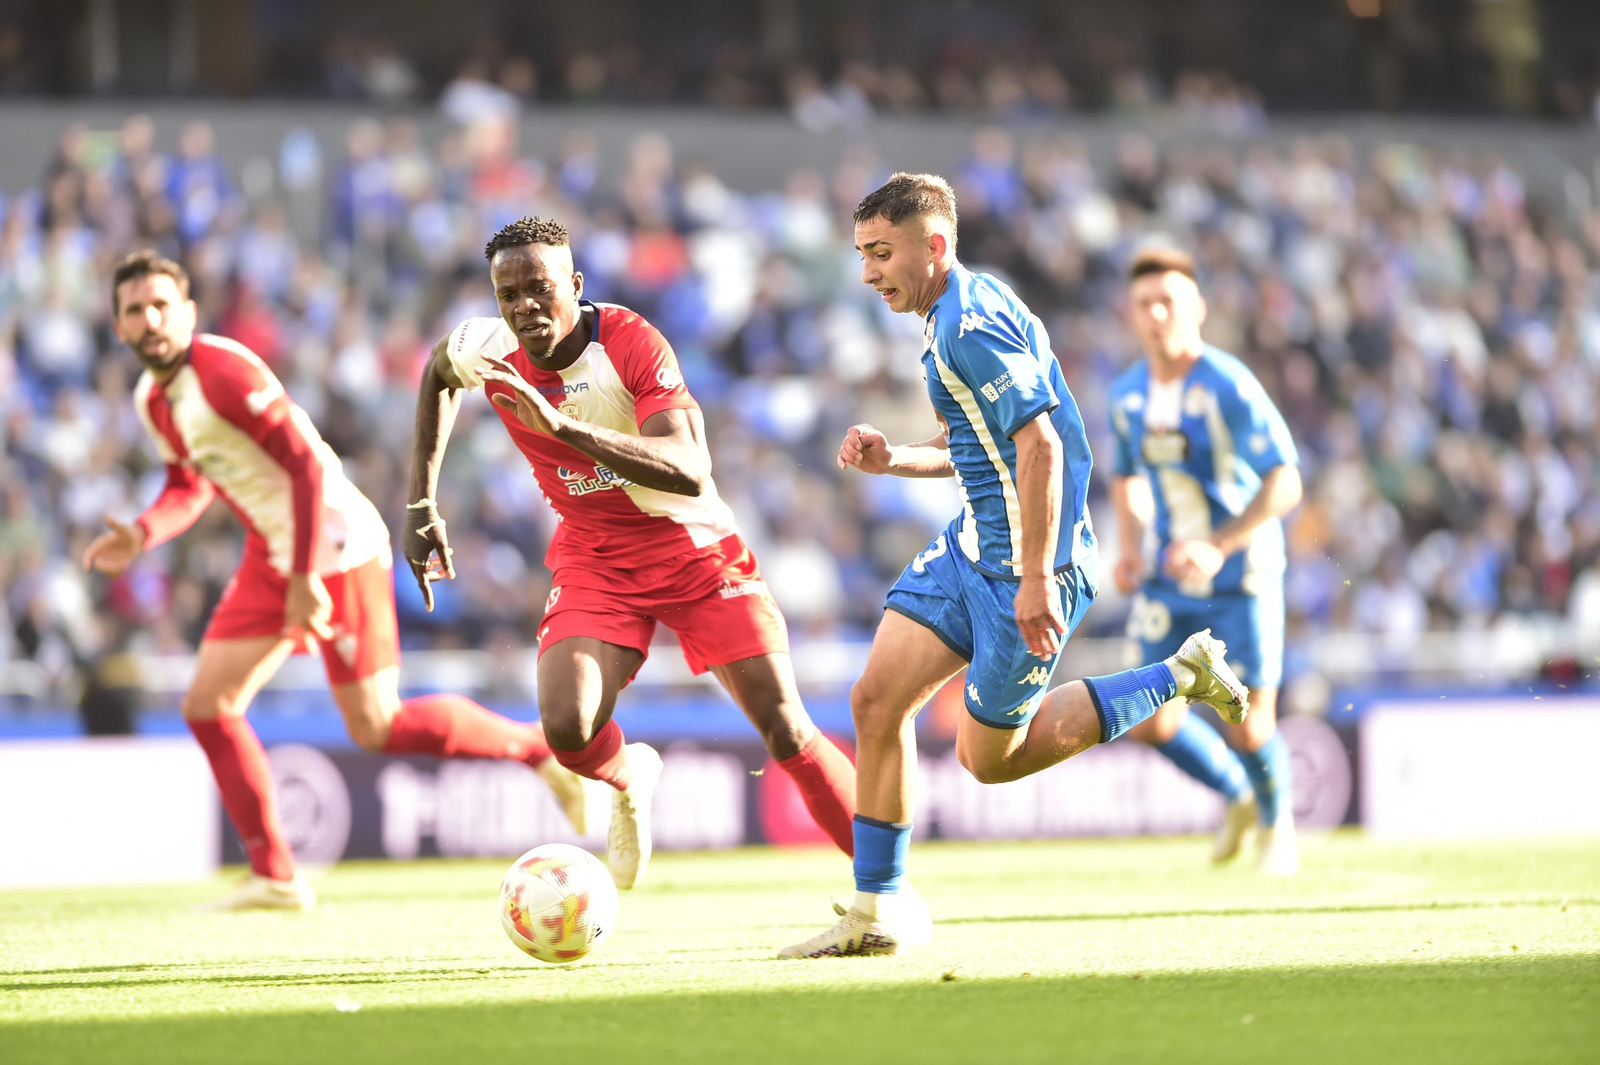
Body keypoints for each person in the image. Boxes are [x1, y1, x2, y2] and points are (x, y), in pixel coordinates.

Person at [780, 174, 1249, 959]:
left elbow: (1041, 445)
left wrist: (1035, 577)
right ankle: (876, 909)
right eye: (861, 253)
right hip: (974, 543)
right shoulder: (957, 307)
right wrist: (894, 457)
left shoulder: (967, 326)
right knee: (875, 699)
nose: (867, 273)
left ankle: (1181, 672)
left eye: (880, 253)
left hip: (1026, 566)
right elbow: (981, 444)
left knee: (987, 759)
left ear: (934, 245)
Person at [84, 251, 591, 912]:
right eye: (135, 310)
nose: (149, 320)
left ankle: (539, 752)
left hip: (334, 543)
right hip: (277, 553)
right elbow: (188, 482)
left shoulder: (223, 370)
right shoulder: (154, 399)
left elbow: (302, 465)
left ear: (188, 312)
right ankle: (277, 873)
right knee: (208, 704)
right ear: (117, 326)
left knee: (377, 725)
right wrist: (144, 532)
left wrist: (304, 576)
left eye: (160, 306)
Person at [403, 216, 856, 890]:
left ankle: (883, 888)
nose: (525, 305)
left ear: (575, 284)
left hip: (692, 546)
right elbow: (438, 373)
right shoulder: (487, 347)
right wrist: (420, 506)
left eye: (540, 287)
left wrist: (564, 428)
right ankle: (628, 772)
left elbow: (689, 465)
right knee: (566, 727)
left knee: (786, 728)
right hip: (595, 551)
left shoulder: (630, 342)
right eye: (508, 295)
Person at [1108, 246, 1303, 874]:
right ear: (1129, 313)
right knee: (1148, 721)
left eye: (1169, 300)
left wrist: (1220, 545)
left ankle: (1278, 826)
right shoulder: (1125, 396)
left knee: (1248, 726)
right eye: (1145, 303)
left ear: (1198, 308)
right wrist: (1131, 549)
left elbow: (1286, 481)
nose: (1157, 312)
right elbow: (1127, 477)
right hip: (1168, 583)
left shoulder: (1227, 384)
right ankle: (1238, 794)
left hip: (1240, 575)